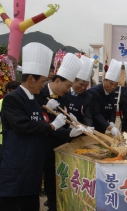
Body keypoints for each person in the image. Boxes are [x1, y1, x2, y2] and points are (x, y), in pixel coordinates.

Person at [0, 43, 67, 211]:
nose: (43, 86)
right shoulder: (13, 99)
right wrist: (51, 126)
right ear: (30, 79)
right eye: (42, 81)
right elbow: (23, 125)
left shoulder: (35, 100)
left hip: (33, 168)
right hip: (16, 168)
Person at [35, 53, 85, 211]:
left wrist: (75, 128)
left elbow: (65, 120)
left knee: (55, 183)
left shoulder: (66, 98)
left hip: (58, 148)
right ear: (57, 81)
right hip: (39, 147)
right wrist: (66, 132)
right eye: (68, 85)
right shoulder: (38, 94)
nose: (69, 89)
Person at [87, 59, 121, 136]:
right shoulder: (93, 92)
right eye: (111, 83)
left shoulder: (112, 92)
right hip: (91, 128)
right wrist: (110, 127)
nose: (113, 87)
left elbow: (112, 109)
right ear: (104, 80)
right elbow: (96, 113)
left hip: (102, 128)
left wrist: (112, 121)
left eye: (116, 85)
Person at [65, 56, 94, 127]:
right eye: (81, 84)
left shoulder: (87, 97)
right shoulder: (64, 92)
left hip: (80, 130)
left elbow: (88, 116)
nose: (83, 88)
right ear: (74, 80)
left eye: (86, 85)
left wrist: (89, 127)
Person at [0, 81, 21, 150]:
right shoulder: (1, 102)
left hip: (14, 139)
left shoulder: (21, 103)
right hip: (2, 139)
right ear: (7, 91)